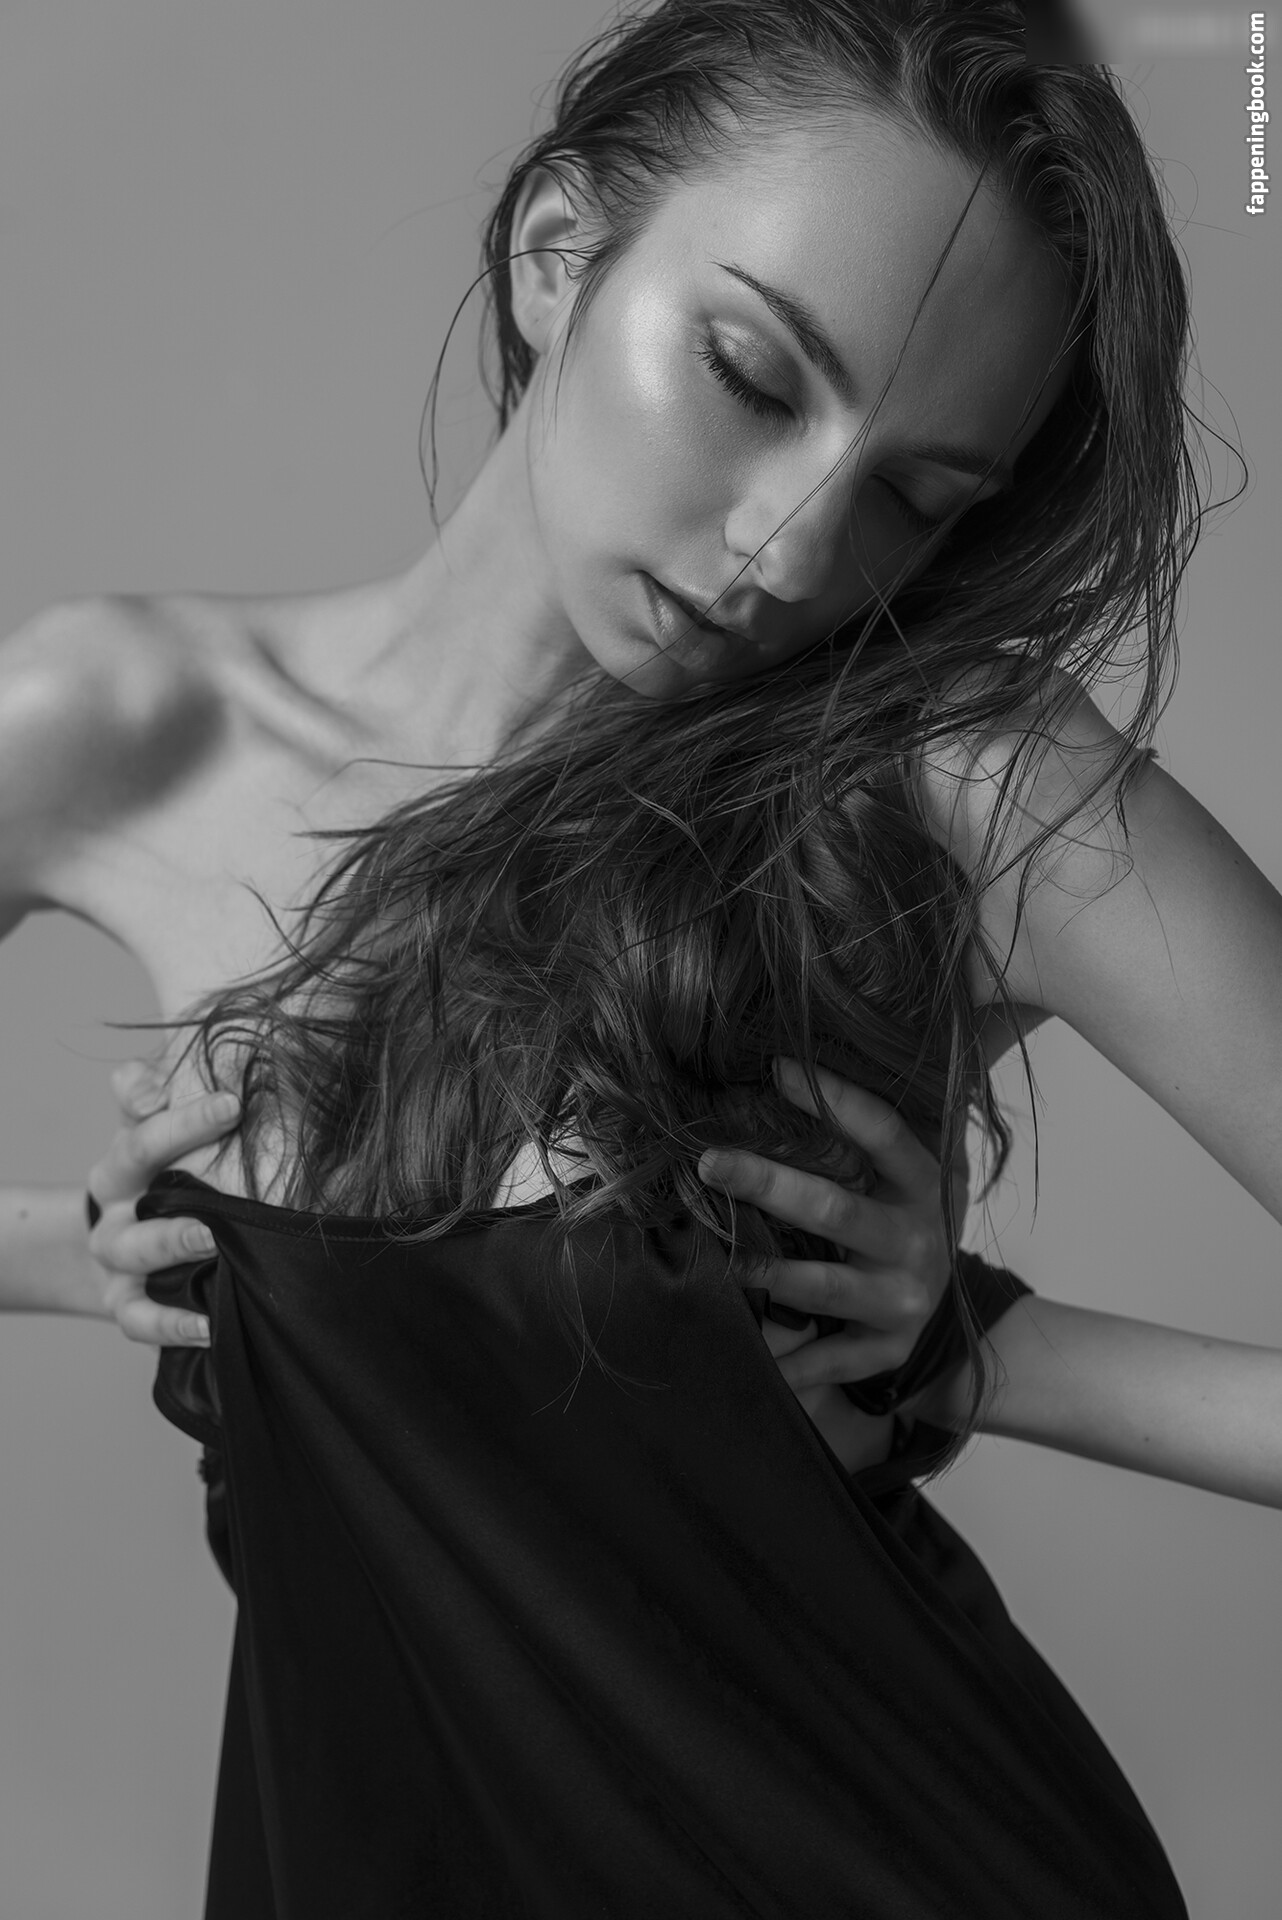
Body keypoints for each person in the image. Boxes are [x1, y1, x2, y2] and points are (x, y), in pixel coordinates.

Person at [1, 0, 1278, 1909]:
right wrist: (87, 1253)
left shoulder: (949, 778)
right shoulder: (119, 722)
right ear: (557, 255)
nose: (791, 549)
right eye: (753, 377)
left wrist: (981, 1355)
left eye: (914, 497)